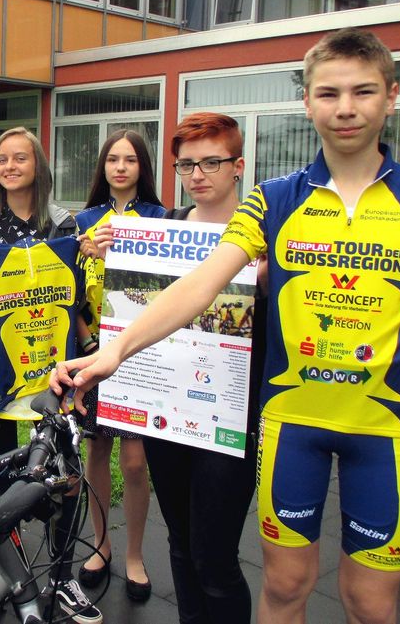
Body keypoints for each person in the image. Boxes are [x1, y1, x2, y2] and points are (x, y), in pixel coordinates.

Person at [53, 28, 400, 624]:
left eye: (363, 91)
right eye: (328, 93)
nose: (345, 108)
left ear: (391, 96)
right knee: (287, 587)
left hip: (385, 432)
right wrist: (115, 353)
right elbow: (197, 285)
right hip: (290, 423)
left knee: (370, 603)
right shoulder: (273, 200)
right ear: (307, 102)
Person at [0, 127, 103, 624]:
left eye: (19, 158)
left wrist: (89, 258)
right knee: (5, 469)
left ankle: (64, 573)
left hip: (57, 368)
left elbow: (84, 299)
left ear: (38, 166)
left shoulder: (65, 225)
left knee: (64, 469)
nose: (9, 167)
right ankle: (15, 572)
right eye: (2, 159)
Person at [144, 113, 264, 623]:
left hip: (232, 416)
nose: (197, 174)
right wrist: (116, 253)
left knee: (215, 556)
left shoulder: (265, 238)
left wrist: (269, 283)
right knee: (178, 542)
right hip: (166, 408)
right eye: (186, 164)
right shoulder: (164, 227)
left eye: (211, 162)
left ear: (237, 166)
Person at [71, 129, 164, 602]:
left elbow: (169, 287)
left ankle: (135, 554)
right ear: (103, 166)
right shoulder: (83, 221)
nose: (121, 167)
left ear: (143, 167)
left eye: (130, 159)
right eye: (113, 159)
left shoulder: (162, 219)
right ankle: (102, 545)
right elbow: (67, 294)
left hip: (143, 355)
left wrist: (120, 254)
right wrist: (87, 344)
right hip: (94, 354)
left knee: (135, 460)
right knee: (97, 455)